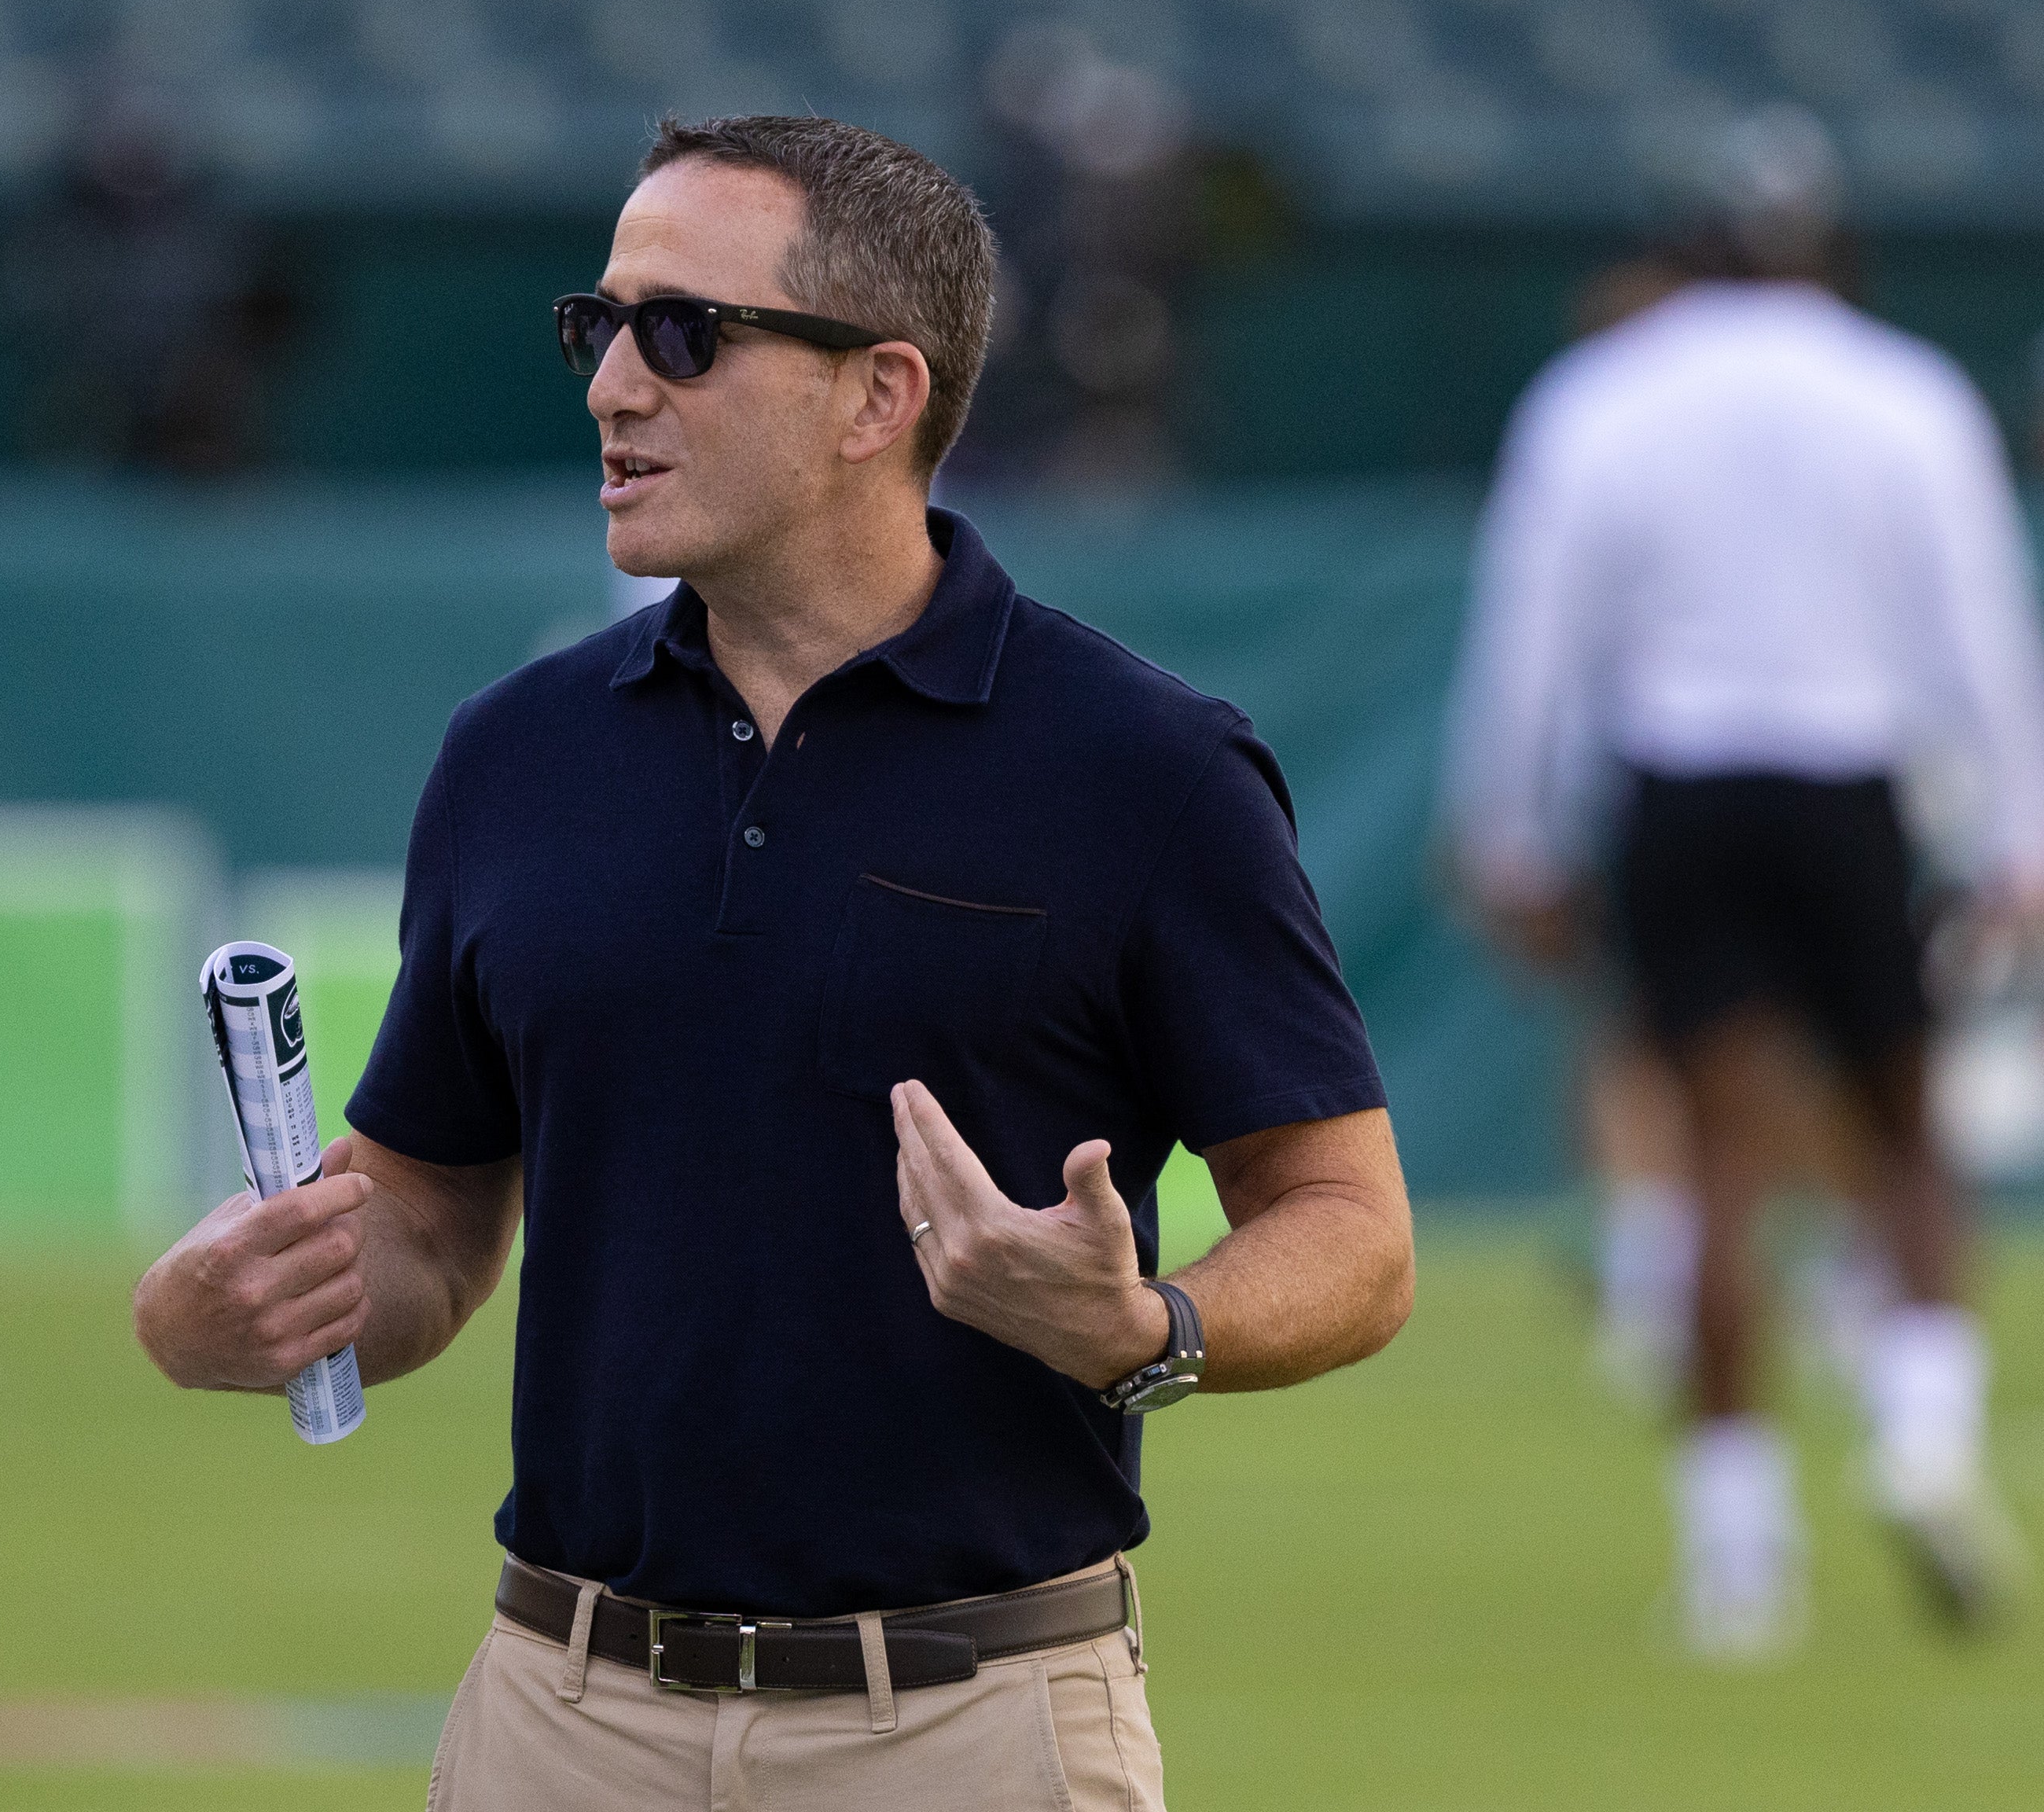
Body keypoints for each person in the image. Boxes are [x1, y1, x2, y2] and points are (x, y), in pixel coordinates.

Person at [135, 115, 1411, 1809]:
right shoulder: (512, 756)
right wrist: (232, 1305)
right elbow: (430, 1222)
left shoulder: (1144, 771)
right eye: (595, 326)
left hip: (971, 1723)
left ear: (876, 396)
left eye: (681, 332)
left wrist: (1141, 1325)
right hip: (558, 1715)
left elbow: (1350, 1229)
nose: (609, 388)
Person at [1445, 108, 2043, 1653]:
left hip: (1680, 787)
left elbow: (1532, 631)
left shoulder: (1604, 394)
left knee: (1713, 1155)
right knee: (1903, 1129)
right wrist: (2015, 834)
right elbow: (1974, 622)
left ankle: (1737, 1554)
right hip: (1846, 785)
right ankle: (1918, 1433)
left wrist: (1508, 827)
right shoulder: (1902, 393)